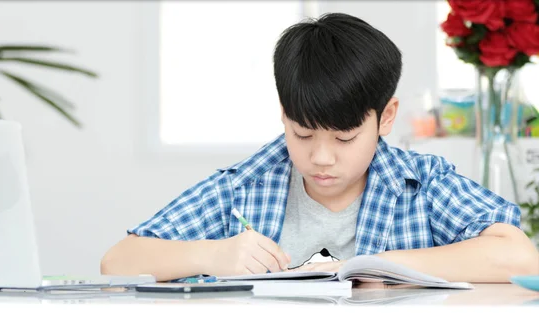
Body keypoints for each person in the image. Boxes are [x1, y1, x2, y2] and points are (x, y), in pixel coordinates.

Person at [101, 12, 539, 282]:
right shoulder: (248, 185)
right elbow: (118, 262)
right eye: (303, 134)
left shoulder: (420, 184)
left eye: (345, 138)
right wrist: (211, 253)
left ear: (385, 117)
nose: (321, 157)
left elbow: (520, 257)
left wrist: (375, 265)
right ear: (284, 114)